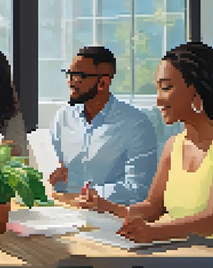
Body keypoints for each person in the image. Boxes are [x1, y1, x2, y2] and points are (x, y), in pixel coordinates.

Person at [74, 42, 213, 253]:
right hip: (184, 253)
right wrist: (106, 207)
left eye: (166, 87)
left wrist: (153, 233)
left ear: (196, 90)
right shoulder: (174, 145)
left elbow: (212, 220)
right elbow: (153, 208)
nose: (158, 99)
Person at [48, 46, 158, 205]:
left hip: (111, 217)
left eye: (79, 76)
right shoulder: (62, 117)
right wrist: (53, 175)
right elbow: (54, 169)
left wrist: (88, 196)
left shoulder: (135, 124)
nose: (70, 81)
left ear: (103, 82)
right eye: (69, 74)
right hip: (63, 209)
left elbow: (138, 189)